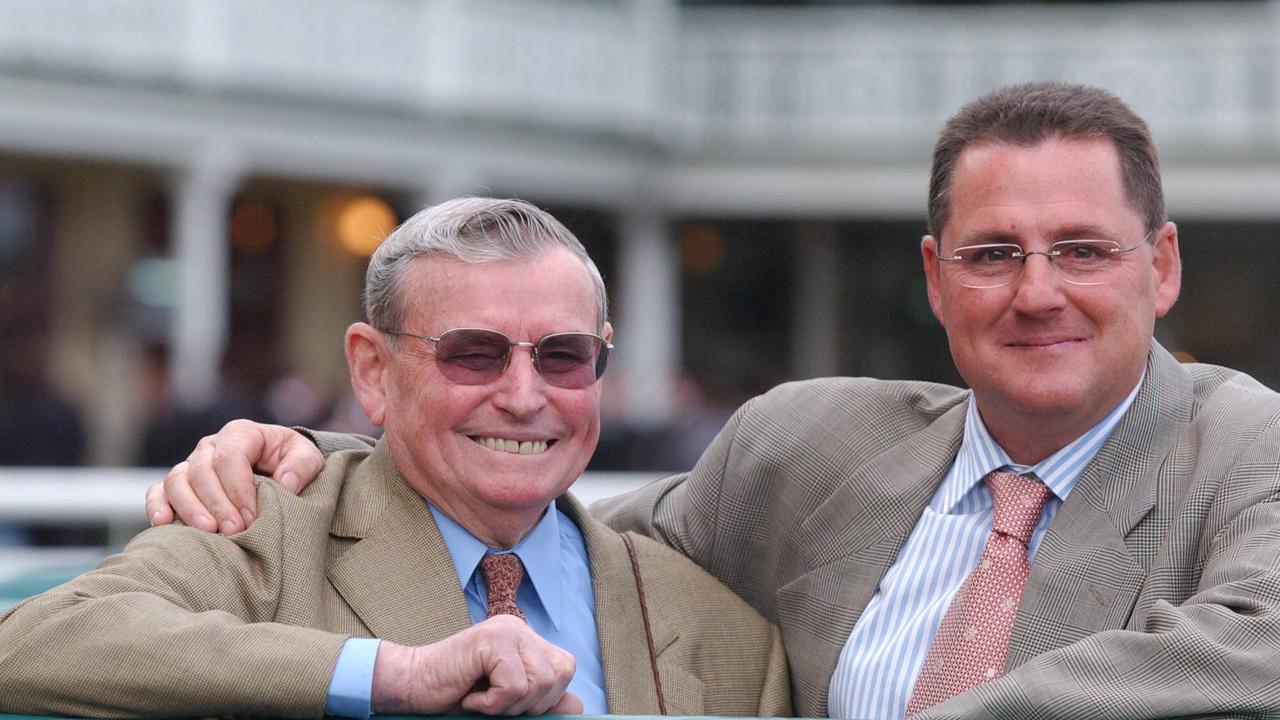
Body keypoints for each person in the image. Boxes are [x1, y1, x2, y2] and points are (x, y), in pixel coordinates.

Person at [149, 82, 1280, 719]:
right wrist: (325, 449)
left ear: (1161, 266)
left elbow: (1254, 653)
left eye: (1080, 250)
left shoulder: (1241, 446)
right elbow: (537, 532)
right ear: (935, 279)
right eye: (992, 255)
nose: (1035, 294)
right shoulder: (810, 444)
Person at [0, 198, 791, 718]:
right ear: (372, 372)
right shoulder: (266, 527)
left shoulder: (724, 636)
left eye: (563, 356)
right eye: (473, 355)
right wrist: (389, 676)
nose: (523, 396)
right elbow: (30, 644)